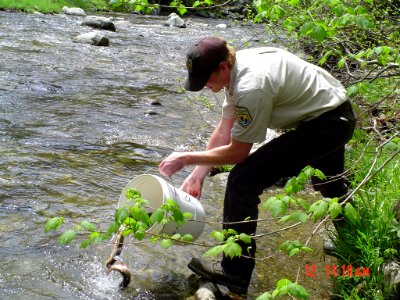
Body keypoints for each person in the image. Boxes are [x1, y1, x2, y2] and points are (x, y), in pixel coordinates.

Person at [158, 36, 356, 295]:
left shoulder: (252, 86)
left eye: (206, 79)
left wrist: (186, 158)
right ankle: (354, 241)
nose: (204, 86)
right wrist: (198, 175)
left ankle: (234, 274)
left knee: (242, 180)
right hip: (331, 113)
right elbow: (224, 129)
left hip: (328, 122)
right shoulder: (237, 69)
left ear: (222, 67)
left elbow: (238, 153)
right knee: (328, 184)